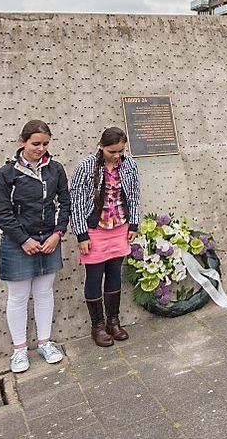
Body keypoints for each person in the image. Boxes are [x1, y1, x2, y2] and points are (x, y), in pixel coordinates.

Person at [0, 120, 71, 373]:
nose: (41, 148)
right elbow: (1, 213)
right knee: (18, 296)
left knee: (45, 292)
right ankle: (19, 349)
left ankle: (45, 343)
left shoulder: (55, 169)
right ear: (22, 142)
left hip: (49, 239)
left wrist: (58, 233)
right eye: (36, 144)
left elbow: (65, 203)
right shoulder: (5, 175)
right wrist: (23, 240)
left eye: (45, 144)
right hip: (18, 243)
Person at [69, 127, 141, 347]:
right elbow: (78, 202)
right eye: (112, 151)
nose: (117, 155)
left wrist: (134, 223)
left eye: (121, 151)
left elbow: (135, 194)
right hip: (95, 229)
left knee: (114, 274)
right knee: (94, 276)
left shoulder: (129, 165)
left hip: (119, 226)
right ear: (101, 146)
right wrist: (81, 234)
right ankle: (97, 326)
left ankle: (113, 321)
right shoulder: (86, 166)